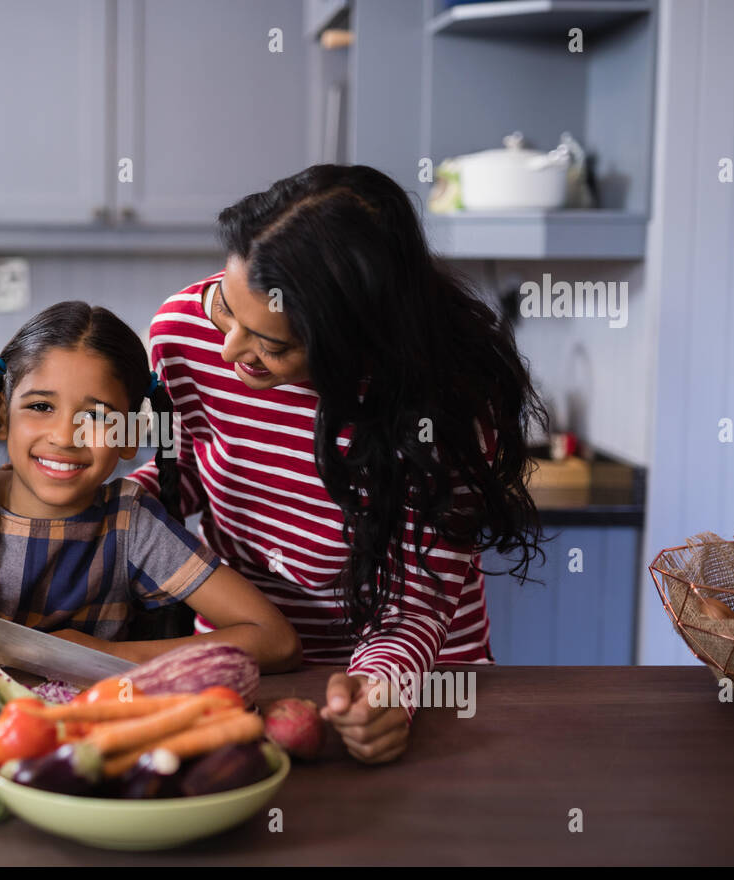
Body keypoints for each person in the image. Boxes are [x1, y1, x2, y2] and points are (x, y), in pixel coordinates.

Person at [128, 165, 544, 763]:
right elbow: (190, 466)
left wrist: (383, 692)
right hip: (252, 661)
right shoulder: (182, 334)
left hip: (418, 678)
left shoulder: (445, 401)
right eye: (227, 306)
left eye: (271, 345)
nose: (229, 349)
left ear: (355, 337)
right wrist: (117, 507)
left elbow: (417, 598)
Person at [0, 301, 301, 670]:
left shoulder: (132, 523)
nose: (66, 436)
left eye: (99, 416)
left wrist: (104, 655)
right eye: (41, 406)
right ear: (3, 416)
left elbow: (276, 641)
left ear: (129, 438)